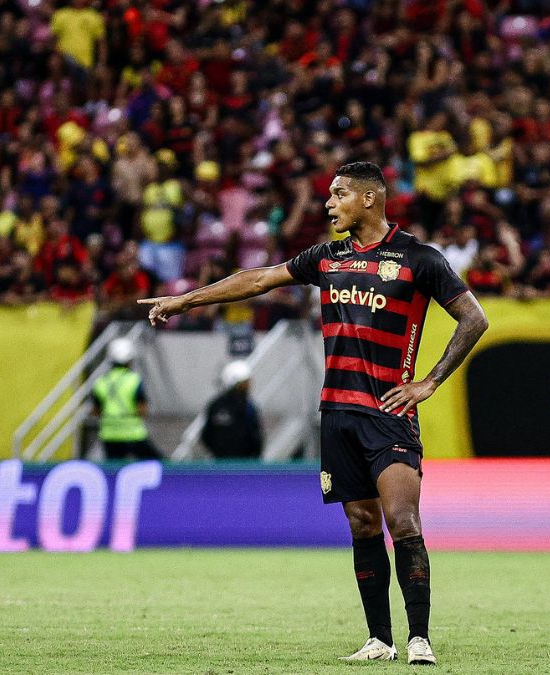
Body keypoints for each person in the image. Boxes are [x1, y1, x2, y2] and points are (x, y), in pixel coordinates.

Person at [139, 162, 489, 666]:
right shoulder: (326, 256)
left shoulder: (418, 259)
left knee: (403, 521)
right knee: (363, 524)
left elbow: (473, 318)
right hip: (338, 415)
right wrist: (186, 299)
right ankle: (379, 639)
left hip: (389, 415)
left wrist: (429, 381)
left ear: (370, 199)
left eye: (339, 194)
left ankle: (419, 638)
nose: (328, 203)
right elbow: (258, 278)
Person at [92, 338, 160, 461]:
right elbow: (142, 409)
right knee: (158, 463)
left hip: (109, 434)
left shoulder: (100, 382)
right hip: (133, 433)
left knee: (115, 471)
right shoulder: (134, 380)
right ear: (129, 360)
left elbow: (96, 411)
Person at [201, 360, 264, 460]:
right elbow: (256, 439)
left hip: (226, 462)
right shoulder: (248, 407)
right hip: (238, 464)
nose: (246, 389)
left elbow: (206, 436)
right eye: (242, 385)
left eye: (247, 385)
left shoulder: (215, 404)